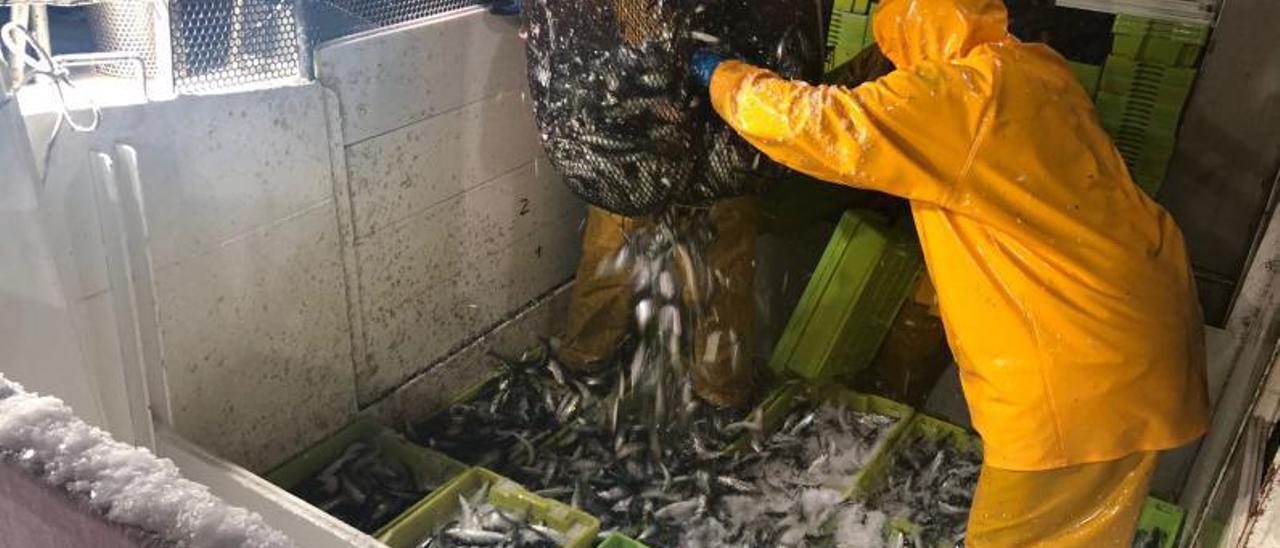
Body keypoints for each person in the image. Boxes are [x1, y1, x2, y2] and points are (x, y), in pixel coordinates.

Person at [693, 0, 1210, 545]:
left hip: (1080, 370)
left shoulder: (961, 95)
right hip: (1133, 325)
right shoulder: (1030, 66)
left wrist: (721, 76)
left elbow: (816, 124)